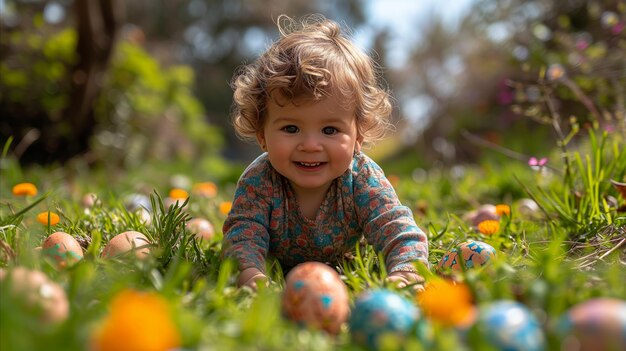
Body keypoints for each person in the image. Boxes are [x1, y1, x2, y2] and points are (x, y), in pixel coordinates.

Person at [222, 14, 429, 290]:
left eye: (330, 131)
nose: (310, 145)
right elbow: (242, 236)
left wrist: (406, 272)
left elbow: (397, 229)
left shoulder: (362, 178)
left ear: (359, 135)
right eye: (291, 128)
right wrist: (249, 274)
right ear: (262, 134)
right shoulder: (260, 181)